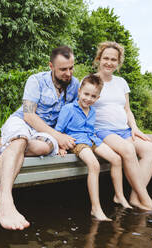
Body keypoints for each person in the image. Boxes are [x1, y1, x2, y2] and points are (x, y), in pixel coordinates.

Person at [0, 46, 80, 230]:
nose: (68, 73)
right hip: (23, 122)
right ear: (51, 66)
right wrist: (57, 136)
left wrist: (62, 139)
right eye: (63, 69)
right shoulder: (35, 81)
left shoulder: (75, 85)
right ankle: (4, 202)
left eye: (71, 68)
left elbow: (72, 114)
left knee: (44, 149)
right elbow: (29, 116)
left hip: (45, 132)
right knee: (21, 140)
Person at [92, 41, 152, 214]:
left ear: (118, 63)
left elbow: (127, 109)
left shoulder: (121, 82)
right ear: (99, 59)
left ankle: (135, 198)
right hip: (102, 130)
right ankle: (147, 200)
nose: (109, 63)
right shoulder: (91, 80)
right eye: (106, 58)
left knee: (150, 150)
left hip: (124, 130)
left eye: (113, 59)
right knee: (127, 150)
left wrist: (134, 127)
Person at [55, 74, 127, 221]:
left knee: (117, 158)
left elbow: (91, 130)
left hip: (92, 139)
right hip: (77, 142)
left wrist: (98, 142)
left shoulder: (93, 111)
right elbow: (58, 130)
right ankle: (96, 208)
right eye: (86, 94)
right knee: (94, 165)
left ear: (98, 98)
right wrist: (60, 146)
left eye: (93, 96)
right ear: (79, 91)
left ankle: (119, 196)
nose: (88, 98)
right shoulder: (68, 109)